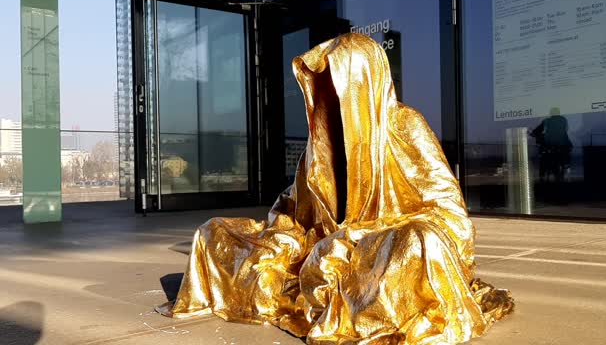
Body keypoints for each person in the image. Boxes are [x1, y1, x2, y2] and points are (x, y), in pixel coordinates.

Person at [157, 33, 514, 344]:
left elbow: (450, 216)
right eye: (323, 87)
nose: (329, 97)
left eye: (339, 85)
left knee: (421, 242)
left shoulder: (404, 125)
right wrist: (285, 238)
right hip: (320, 247)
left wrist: (355, 237)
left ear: (364, 82)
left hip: (378, 246)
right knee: (213, 233)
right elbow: (292, 206)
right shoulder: (321, 140)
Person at [530, 108, 573, 181]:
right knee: (568, 150)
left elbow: (536, 132)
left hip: (549, 145)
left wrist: (534, 133)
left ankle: (542, 176)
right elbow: (566, 129)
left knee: (543, 158)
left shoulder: (546, 121)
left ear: (551, 114)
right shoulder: (563, 120)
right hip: (562, 146)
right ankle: (566, 165)